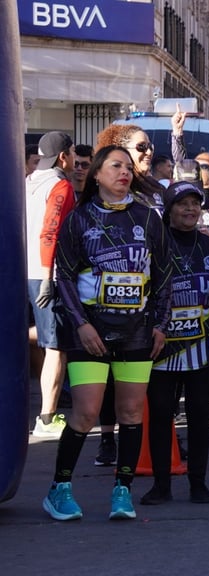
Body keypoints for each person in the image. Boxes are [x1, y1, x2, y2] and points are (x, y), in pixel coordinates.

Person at [44, 145, 172, 521]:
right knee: (84, 413)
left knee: (131, 410)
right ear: (96, 174)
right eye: (116, 166)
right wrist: (81, 324)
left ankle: (123, 491)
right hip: (91, 332)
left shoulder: (147, 218)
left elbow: (164, 275)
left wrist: (160, 325)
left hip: (136, 331)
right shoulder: (78, 219)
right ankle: (59, 489)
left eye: (128, 167)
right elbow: (62, 276)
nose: (125, 172)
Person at [141, 181, 209, 505]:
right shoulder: (154, 243)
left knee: (199, 415)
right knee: (161, 414)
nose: (190, 210)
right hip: (163, 348)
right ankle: (161, 485)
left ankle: (198, 483)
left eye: (195, 204)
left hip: (202, 347)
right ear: (169, 208)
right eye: (182, 204)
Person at [26, 132, 76, 438]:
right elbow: (51, 231)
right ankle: (47, 418)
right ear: (63, 157)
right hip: (48, 273)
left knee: (45, 339)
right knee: (55, 347)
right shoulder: (60, 186)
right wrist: (48, 276)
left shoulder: (29, 182)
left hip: (24, 270)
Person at [96, 123, 164, 212]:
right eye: (141, 146)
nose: (149, 152)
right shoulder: (113, 190)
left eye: (150, 147)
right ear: (123, 151)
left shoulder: (155, 186)